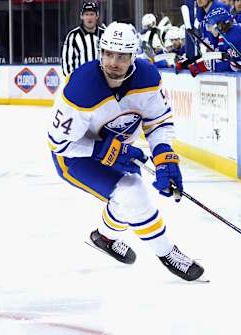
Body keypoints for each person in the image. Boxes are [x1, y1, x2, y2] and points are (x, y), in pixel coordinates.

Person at [47, 22, 204, 282]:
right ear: (101, 53)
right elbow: (59, 143)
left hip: (116, 148)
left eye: (121, 56)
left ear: (134, 56)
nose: (113, 62)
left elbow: (159, 122)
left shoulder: (149, 78)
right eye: (108, 53)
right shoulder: (80, 87)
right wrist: (102, 150)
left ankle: (104, 237)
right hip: (74, 157)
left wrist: (165, 158)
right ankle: (167, 253)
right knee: (132, 191)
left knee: (126, 197)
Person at [188, 7, 241, 75]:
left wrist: (203, 66)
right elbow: (223, 56)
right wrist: (200, 65)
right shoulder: (230, 32)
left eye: (209, 26)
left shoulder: (233, 37)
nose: (209, 30)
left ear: (218, 25)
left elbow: (238, 66)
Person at [62, 2, 105, 77]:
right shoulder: (73, 36)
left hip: (102, 81)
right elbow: (67, 63)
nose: (89, 18)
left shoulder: (105, 34)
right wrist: (74, 81)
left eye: (92, 14)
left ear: (97, 16)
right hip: (81, 81)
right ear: (81, 16)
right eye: (86, 14)